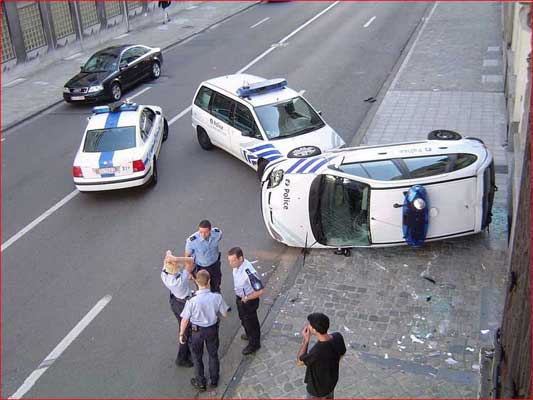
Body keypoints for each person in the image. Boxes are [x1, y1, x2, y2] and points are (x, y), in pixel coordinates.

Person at [179, 270, 228, 392]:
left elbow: (185, 320)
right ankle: (214, 380)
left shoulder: (192, 300)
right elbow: (225, 314)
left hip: (197, 332)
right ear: (209, 281)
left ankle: (200, 382)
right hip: (212, 330)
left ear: (196, 282)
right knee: (213, 354)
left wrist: (181, 334)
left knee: (197, 357)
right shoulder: (217, 297)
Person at [296, 313, 346, 399]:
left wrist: (306, 340)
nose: (307, 326)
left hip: (316, 391)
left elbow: (299, 362)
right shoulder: (338, 337)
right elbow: (342, 354)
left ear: (314, 330)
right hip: (331, 385)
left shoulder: (316, 351)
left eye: (309, 324)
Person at [227, 247, 265, 355]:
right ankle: (249, 335)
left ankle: (254, 344)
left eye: (233, 260)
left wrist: (247, 298)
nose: (230, 263)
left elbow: (260, 290)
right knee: (244, 319)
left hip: (248, 301)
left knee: (251, 322)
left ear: (240, 258)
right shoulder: (237, 266)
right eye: (229, 260)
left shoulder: (248, 272)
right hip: (241, 298)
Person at [161, 251, 194, 367]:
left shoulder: (164, 274)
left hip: (175, 301)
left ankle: (186, 351)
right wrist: (177, 258)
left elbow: (167, 259)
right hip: (183, 304)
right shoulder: (179, 281)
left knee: (182, 325)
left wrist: (170, 257)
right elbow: (190, 261)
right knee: (185, 330)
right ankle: (182, 357)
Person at [185, 220, 223, 294]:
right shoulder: (192, 241)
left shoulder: (217, 233)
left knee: (216, 284)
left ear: (210, 230)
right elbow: (187, 256)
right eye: (200, 232)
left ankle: (217, 299)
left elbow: (220, 235)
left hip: (215, 265)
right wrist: (189, 272)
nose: (202, 235)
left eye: (205, 232)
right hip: (201, 267)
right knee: (203, 288)